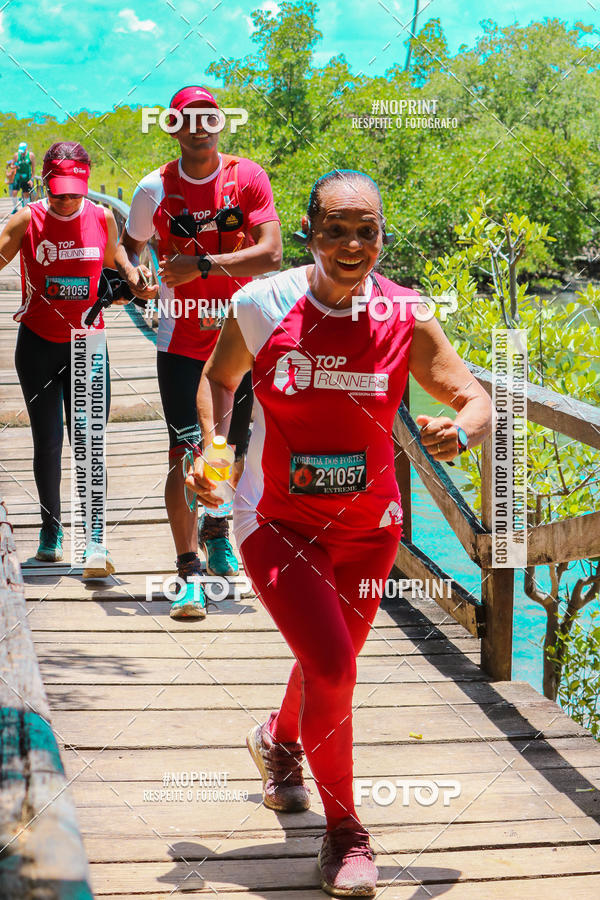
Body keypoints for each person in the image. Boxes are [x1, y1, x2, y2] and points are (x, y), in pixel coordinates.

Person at [187, 170, 494, 896]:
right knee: (332, 667)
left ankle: (279, 740)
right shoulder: (264, 303)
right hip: (276, 518)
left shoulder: (407, 315)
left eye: (367, 231)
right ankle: (346, 833)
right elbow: (218, 378)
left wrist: (465, 430)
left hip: (369, 528)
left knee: (328, 660)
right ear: (309, 233)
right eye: (336, 230)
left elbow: (471, 394)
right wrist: (214, 446)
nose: (352, 245)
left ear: (382, 237)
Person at [118, 85, 281, 619]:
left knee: (228, 451)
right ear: (172, 126)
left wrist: (204, 264)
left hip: (241, 340)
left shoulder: (247, 177)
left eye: (208, 117)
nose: (199, 126)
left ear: (220, 124)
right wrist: (136, 272)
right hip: (181, 340)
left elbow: (272, 255)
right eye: (187, 118)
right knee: (187, 450)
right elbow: (131, 243)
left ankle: (217, 528)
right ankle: (187, 573)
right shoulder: (152, 188)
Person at [0, 141, 130, 578]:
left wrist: (135, 278)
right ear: (45, 184)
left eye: (74, 192)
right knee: (48, 442)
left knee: (89, 442)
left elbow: (119, 259)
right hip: (37, 343)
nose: (66, 200)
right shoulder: (27, 220)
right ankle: (51, 535)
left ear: (87, 184)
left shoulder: (102, 216)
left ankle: (95, 542)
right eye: (58, 192)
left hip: (88, 345)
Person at [10, 142, 35, 211]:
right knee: (14, 192)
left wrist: (31, 179)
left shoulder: (31, 155)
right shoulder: (16, 155)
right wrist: (14, 166)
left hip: (26, 178)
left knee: (26, 194)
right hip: (18, 177)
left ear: (26, 148)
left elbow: (33, 168)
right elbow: (11, 165)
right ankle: (15, 207)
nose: (22, 153)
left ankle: (26, 209)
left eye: (23, 151)